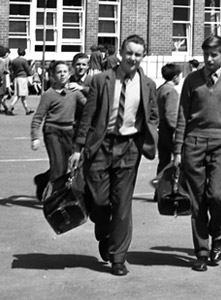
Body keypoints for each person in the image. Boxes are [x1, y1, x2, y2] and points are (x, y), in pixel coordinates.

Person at [68, 34, 159, 276]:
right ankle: (105, 231)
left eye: (138, 54)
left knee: (122, 205)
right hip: (100, 146)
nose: (133, 58)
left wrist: (148, 137)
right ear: (120, 52)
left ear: (143, 57)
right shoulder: (101, 80)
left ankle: (119, 257)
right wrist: (77, 148)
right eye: (129, 53)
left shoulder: (148, 84)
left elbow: (152, 115)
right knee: (99, 201)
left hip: (129, 147)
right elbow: (88, 115)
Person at [172, 36, 221, 272]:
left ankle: (218, 234)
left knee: (215, 196)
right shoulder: (192, 81)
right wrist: (177, 150)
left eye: (214, 55)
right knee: (197, 202)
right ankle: (202, 252)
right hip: (194, 144)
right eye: (206, 54)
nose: (209, 59)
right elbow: (182, 115)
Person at [30, 61, 86, 184]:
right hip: (53, 131)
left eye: (65, 72)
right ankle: (52, 198)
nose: (62, 75)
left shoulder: (74, 92)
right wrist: (35, 137)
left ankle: (42, 180)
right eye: (59, 72)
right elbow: (38, 116)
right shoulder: (49, 94)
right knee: (58, 166)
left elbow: (89, 106)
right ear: (53, 75)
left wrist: (83, 88)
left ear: (69, 74)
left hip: (69, 132)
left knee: (69, 165)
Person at [156, 63, 181, 175]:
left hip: (160, 128)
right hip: (168, 130)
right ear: (175, 77)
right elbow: (171, 115)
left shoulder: (160, 89)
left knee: (163, 161)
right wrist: (178, 129)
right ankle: (167, 188)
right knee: (175, 162)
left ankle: (159, 189)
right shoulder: (171, 91)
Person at [7, 48, 34, 116]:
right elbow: (29, 71)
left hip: (16, 78)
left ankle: (27, 109)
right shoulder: (24, 61)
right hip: (22, 78)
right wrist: (31, 72)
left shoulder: (14, 61)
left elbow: (11, 69)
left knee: (21, 95)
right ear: (24, 53)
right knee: (20, 95)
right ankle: (10, 108)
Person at [0, 47, 12, 113]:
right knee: (2, 94)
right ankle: (6, 108)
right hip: (2, 78)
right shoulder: (3, 60)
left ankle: (5, 107)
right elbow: (0, 70)